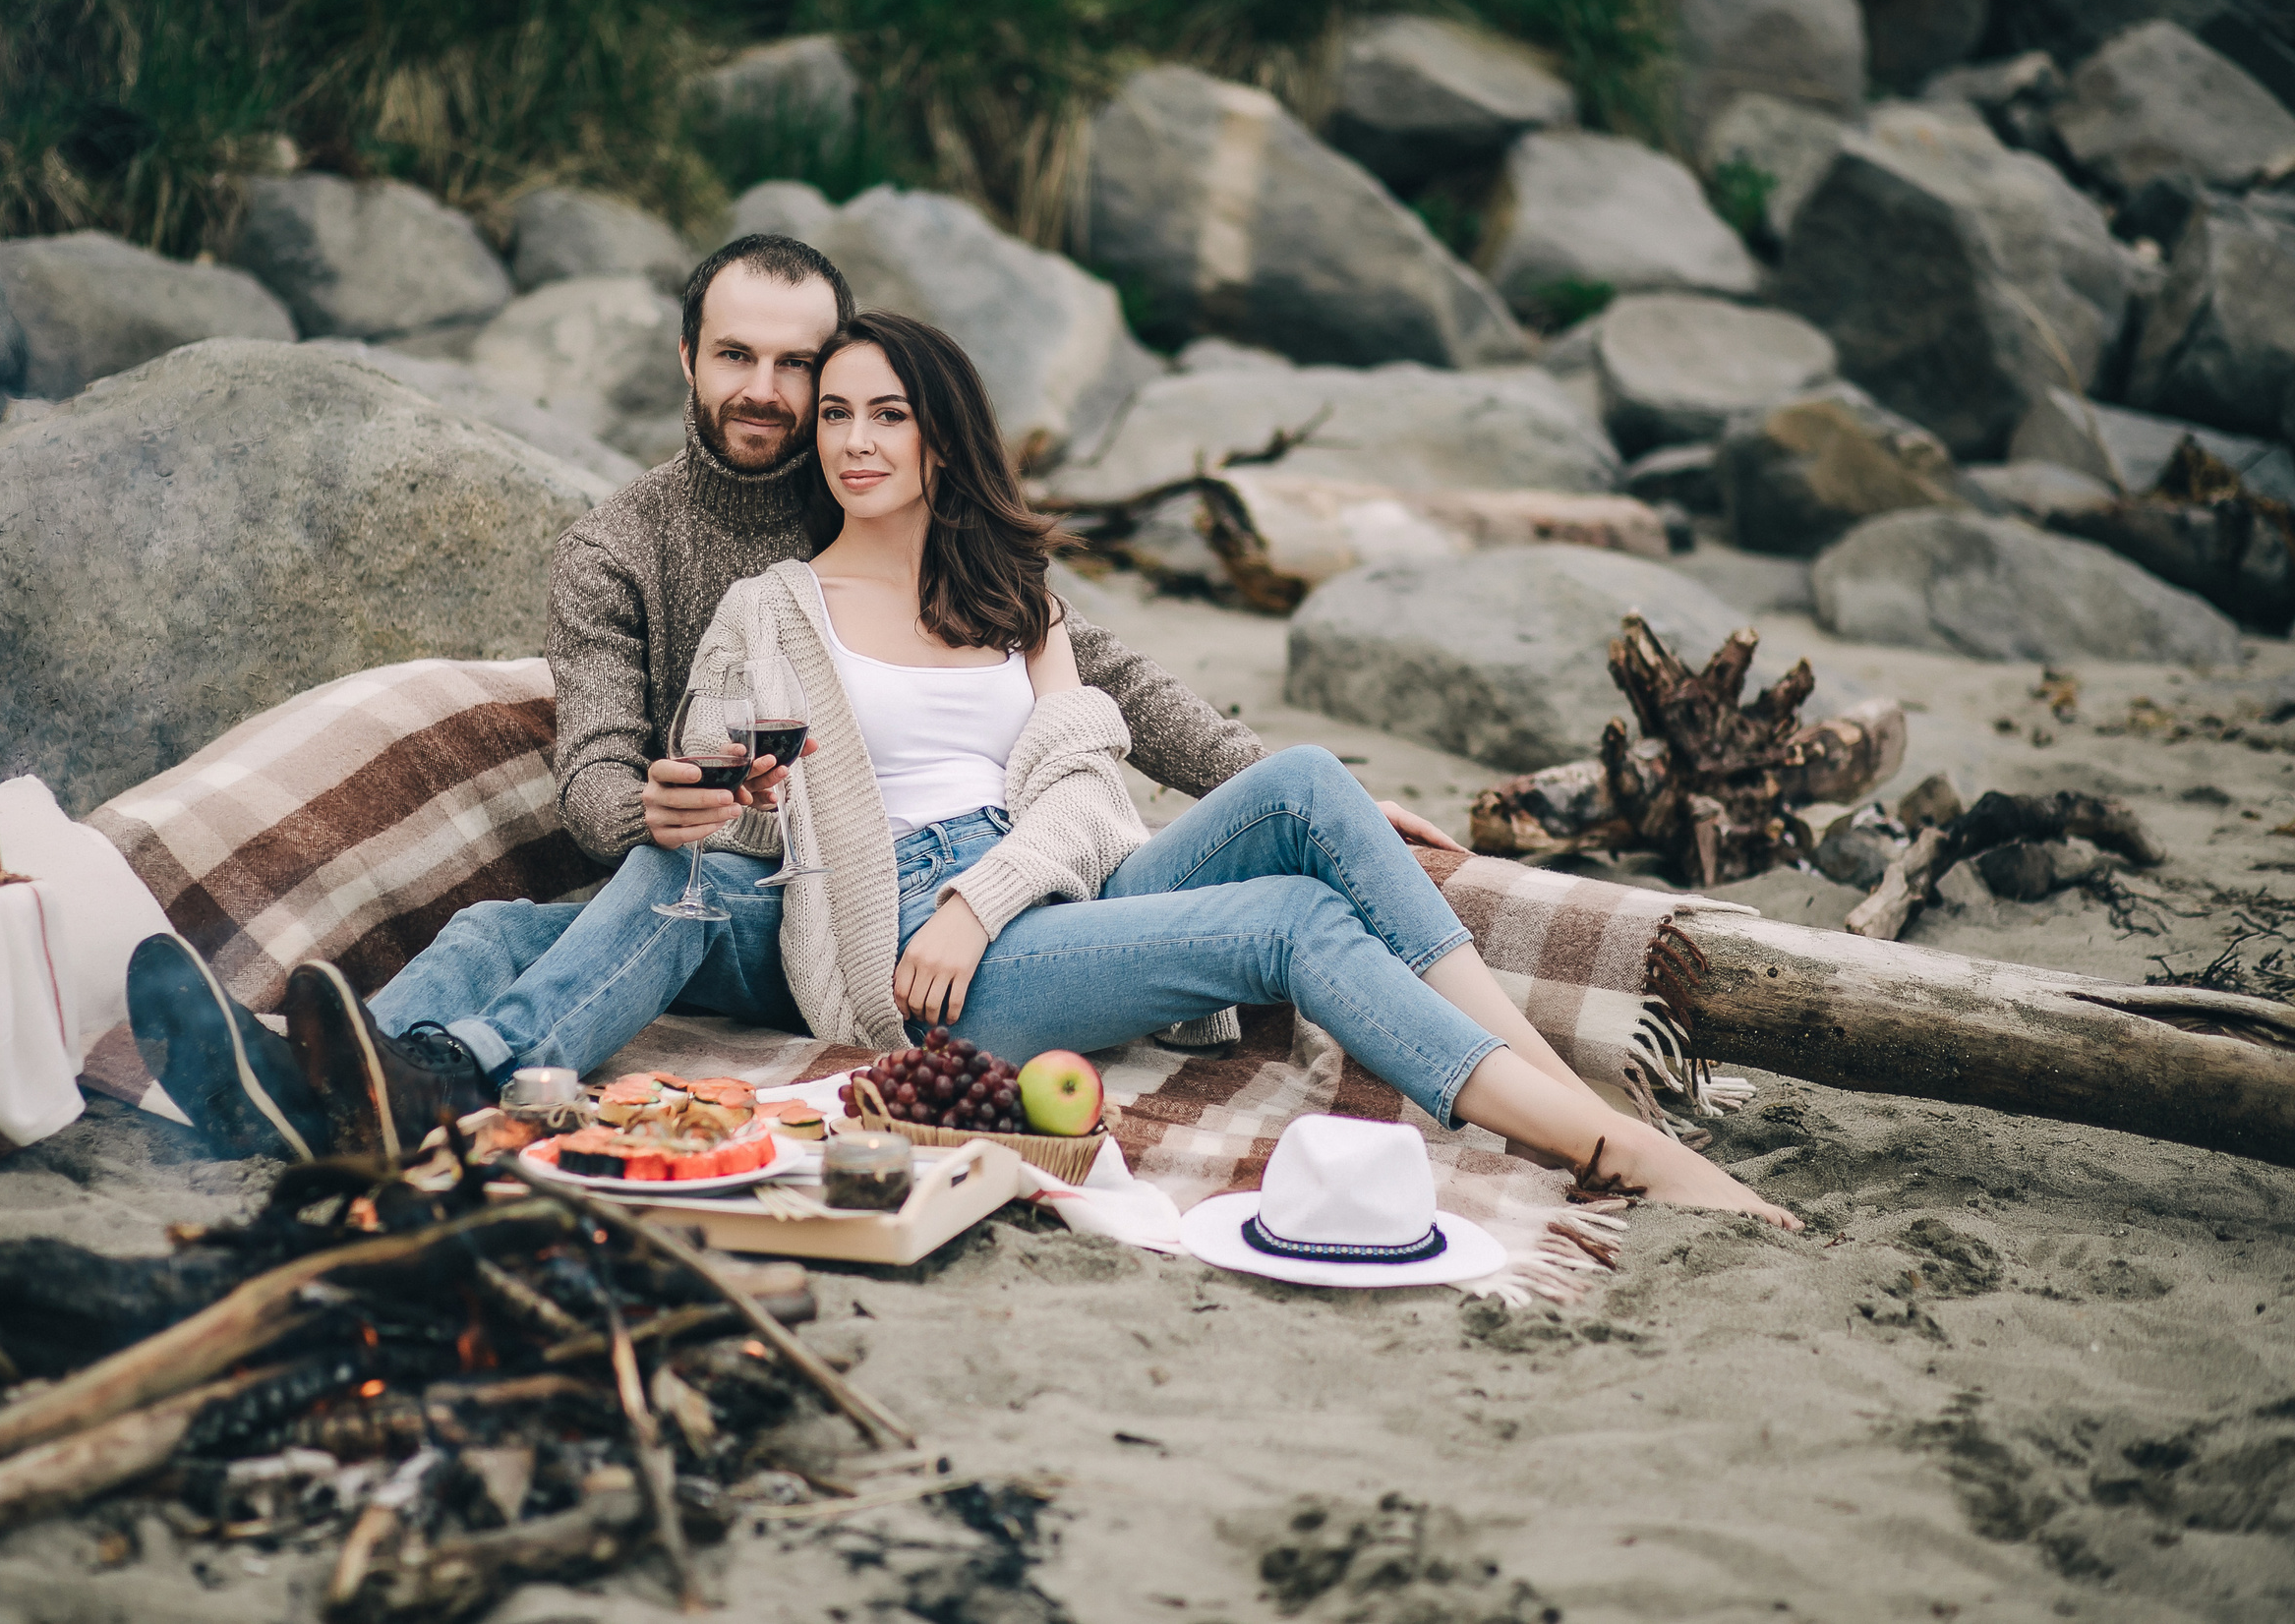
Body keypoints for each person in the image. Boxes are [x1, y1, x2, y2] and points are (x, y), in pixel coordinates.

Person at [128, 234, 1458, 1164]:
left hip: (875, 899)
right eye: (737, 357)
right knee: (505, 920)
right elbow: (596, 773)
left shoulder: (876, 482)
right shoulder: (621, 544)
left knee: (659, 889)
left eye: (802, 371)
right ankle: (349, 1083)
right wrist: (653, 793)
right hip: (740, 863)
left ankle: (439, 1075)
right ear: (691, 359)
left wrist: (1259, 776)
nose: (774, 396)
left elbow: (1094, 670)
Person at [670, 311, 1799, 1226]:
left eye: (888, 414)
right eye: (834, 415)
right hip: (922, 956)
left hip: (1036, 890)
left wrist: (991, 890)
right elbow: (734, 814)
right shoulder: (771, 612)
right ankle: (1597, 1140)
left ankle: (1546, 1082)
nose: (855, 440)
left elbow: (1075, 789)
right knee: (1292, 920)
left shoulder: (1014, 601)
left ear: (943, 439)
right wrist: (750, 804)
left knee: (1311, 778)